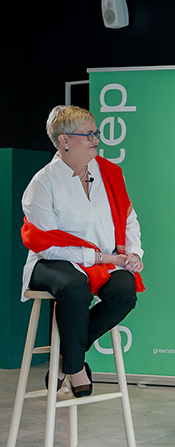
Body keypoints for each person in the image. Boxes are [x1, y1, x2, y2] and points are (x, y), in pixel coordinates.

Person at [21, 105, 144, 398]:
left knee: (124, 293)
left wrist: (134, 252)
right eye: (88, 134)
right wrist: (100, 258)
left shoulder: (110, 172)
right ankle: (76, 369)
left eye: (96, 132)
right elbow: (47, 244)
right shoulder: (42, 183)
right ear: (63, 140)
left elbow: (129, 219)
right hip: (53, 260)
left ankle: (66, 358)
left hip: (106, 260)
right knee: (74, 289)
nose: (96, 139)